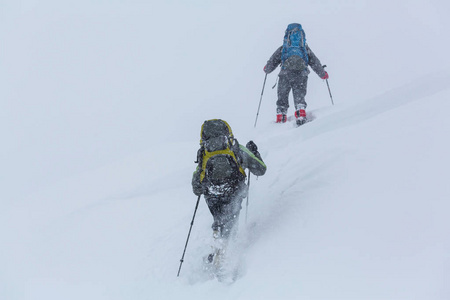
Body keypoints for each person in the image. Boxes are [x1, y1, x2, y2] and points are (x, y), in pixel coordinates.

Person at [191, 119, 267, 242]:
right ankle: (226, 248)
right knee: (231, 221)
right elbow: (261, 170)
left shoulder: (204, 154)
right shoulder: (237, 149)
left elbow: (197, 187)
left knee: (220, 217)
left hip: (212, 193)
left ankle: (218, 234)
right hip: (234, 189)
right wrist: (254, 152)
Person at [264, 23, 329, 126]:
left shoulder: (284, 48)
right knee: (299, 96)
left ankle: (281, 116)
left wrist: (267, 69)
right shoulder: (304, 48)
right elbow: (314, 62)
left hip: (285, 74)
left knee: (282, 96)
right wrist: (323, 74)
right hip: (301, 75)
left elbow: (273, 60)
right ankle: (301, 114)